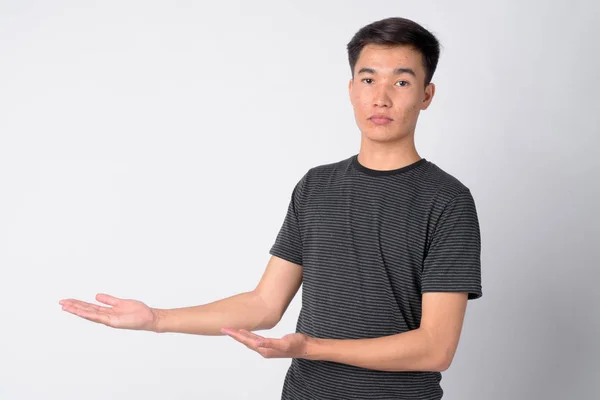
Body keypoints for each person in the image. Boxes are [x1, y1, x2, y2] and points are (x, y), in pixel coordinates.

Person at [59, 16, 482, 400]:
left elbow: (435, 348)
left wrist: (312, 347)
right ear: (352, 89)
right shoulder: (316, 186)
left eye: (402, 82)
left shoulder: (447, 200)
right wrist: (156, 318)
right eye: (368, 80)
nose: (382, 97)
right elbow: (265, 303)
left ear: (426, 95)